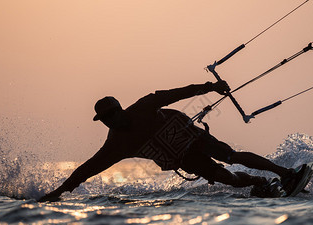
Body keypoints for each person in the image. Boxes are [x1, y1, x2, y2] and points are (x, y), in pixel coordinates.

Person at [39, 81, 294, 202]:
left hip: (189, 136)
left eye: (110, 115)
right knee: (228, 179)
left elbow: (176, 94)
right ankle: (260, 184)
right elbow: (87, 169)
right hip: (183, 158)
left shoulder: (142, 107)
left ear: (120, 109)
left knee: (230, 156)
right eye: (104, 120)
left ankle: (286, 173)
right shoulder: (116, 145)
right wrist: (58, 192)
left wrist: (210, 86)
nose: (108, 122)